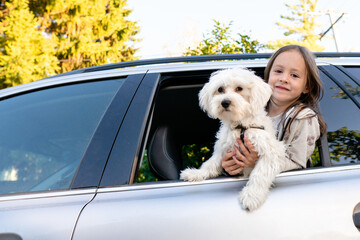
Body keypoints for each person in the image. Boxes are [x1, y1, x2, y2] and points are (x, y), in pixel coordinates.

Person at [222, 44, 327, 175]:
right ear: (268, 75)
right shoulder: (249, 111)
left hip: (286, 192)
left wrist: (258, 162)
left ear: (307, 87)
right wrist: (229, 166)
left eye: (294, 75)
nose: (284, 79)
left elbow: (297, 163)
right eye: (278, 71)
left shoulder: (303, 118)